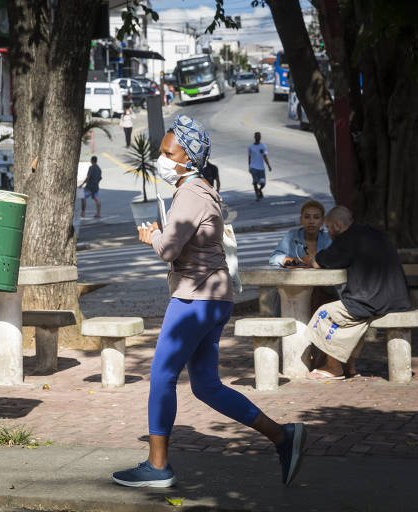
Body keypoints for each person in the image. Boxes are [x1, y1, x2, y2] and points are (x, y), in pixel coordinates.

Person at [111, 114, 306, 489]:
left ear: (189, 156)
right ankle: (283, 436)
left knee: (161, 376)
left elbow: (168, 249)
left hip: (194, 299)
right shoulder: (203, 189)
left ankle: (158, 466)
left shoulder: (188, 194)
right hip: (215, 297)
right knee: (205, 385)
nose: (162, 159)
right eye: (161, 151)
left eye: (169, 152)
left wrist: (150, 235)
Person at [306, 206, 411, 380]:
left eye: (328, 228)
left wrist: (311, 259)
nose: (329, 232)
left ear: (337, 225)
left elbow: (321, 261)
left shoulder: (346, 239)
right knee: (355, 320)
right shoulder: (376, 233)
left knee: (326, 314)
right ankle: (349, 364)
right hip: (398, 299)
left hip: (369, 300)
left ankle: (333, 367)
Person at [269, 200, 331, 268]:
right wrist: (294, 261)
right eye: (307, 217)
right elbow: (273, 258)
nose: (311, 221)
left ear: (322, 221)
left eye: (316, 217)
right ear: (301, 220)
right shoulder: (291, 236)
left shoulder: (328, 239)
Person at [248, 131, 272, 201]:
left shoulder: (263, 146)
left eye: (259, 136)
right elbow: (249, 157)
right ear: (254, 137)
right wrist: (249, 166)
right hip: (253, 167)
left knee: (263, 183)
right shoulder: (250, 147)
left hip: (261, 168)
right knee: (255, 182)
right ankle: (257, 196)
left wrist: (268, 165)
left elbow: (265, 156)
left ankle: (260, 190)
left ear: (260, 137)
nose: (258, 138)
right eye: (257, 136)